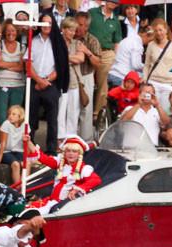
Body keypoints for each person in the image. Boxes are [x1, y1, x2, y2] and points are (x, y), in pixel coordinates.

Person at [25, 133, 101, 214]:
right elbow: (42, 157)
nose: (71, 154)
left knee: (32, 214)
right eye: (68, 151)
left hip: (63, 207)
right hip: (51, 202)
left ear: (79, 154)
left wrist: (76, 190)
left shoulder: (84, 169)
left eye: (74, 151)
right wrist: (29, 142)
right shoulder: (60, 162)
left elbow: (96, 179)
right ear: (64, 152)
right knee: (26, 211)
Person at [29, 12, 69, 155]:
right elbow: (27, 63)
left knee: (52, 119)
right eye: (44, 23)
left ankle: (51, 150)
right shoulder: (33, 40)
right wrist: (38, 80)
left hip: (51, 83)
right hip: (34, 83)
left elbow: (61, 66)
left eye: (49, 23)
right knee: (31, 117)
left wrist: (46, 81)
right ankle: (30, 148)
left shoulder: (58, 42)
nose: (47, 26)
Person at [87, 0, 119, 120]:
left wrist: (113, 55)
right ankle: (84, 113)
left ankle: (97, 116)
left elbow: (117, 40)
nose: (114, 3)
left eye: (116, 2)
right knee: (86, 83)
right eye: (112, 0)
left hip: (107, 52)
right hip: (90, 51)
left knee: (103, 86)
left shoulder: (115, 20)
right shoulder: (92, 12)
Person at [144, 18, 172, 113]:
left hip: (168, 84)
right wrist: (145, 80)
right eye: (156, 30)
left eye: (160, 30)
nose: (158, 33)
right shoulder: (151, 45)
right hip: (153, 83)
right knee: (151, 111)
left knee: (165, 112)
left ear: (166, 30)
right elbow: (147, 65)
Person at [0, 20, 25, 130]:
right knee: (2, 116)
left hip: (18, 86)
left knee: (16, 116)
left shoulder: (22, 47)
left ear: (17, 31)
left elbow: (22, 67)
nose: (10, 33)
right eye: (7, 30)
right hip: (2, 85)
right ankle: (3, 142)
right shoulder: (0, 45)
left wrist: (5, 65)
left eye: (13, 30)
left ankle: (13, 142)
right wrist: (15, 64)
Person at [74, 12, 101, 141]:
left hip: (86, 76)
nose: (77, 28)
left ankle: (87, 143)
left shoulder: (92, 40)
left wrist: (87, 51)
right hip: (70, 76)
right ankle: (70, 141)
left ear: (87, 26)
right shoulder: (68, 37)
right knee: (71, 111)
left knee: (86, 110)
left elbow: (98, 63)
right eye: (76, 23)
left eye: (81, 25)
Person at [57, 17, 82, 141]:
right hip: (60, 81)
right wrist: (71, 58)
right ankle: (60, 139)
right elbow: (57, 60)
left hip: (74, 82)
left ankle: (71, 138)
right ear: (63, 29)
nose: (73, 33)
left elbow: (80, 59)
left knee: (73, 112)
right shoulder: (57, 42)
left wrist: (65, 58)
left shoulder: (76, 43)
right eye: (70, 30)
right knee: (60, 112)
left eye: (74, 30)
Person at [120, 82, 167, 148]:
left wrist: (157, 105)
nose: (147, 95)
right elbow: (124, 120)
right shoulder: (130, 109)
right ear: (139, 94)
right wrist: (138, 104)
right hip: (131, 148)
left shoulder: (157, 111)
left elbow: (166, 122)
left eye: (149, 93)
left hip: (151, 149)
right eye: (145, 92)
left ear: (153, 95)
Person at [106, 24, 148, 91]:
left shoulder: (126, 39)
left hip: (112, 74)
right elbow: (136, 65)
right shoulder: (137, 44)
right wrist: (147, 68)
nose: (147, 44)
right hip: (121, 77)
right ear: (145, 35)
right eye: (149, 40)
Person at [0, 104, 25, 185]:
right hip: (6, 151)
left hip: (19, 151)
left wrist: (30, 157)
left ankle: (24, 187)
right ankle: (18, 188)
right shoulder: (6, 124)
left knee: (26, 163)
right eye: (9, 114)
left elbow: (27, 143)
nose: (10, 116)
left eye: (13, 114)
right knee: (16, 164)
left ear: (20, 116)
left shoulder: (25, 125)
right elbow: (3, 143)